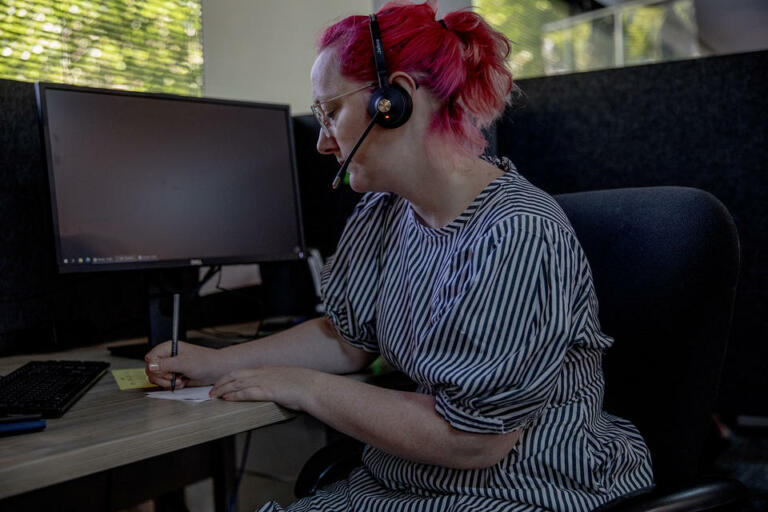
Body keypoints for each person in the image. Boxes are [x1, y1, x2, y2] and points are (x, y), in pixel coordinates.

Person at [146, 2, 654, 510]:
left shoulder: (517, 234)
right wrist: (217, 363)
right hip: (405, 482)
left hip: (522, 489)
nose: (323, 141)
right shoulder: (386, 213)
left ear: (396, 101)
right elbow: (345, 340)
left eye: (331, 112)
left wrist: (305, 388)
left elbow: (473, 439)